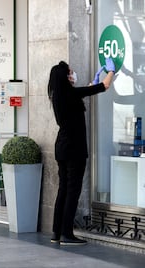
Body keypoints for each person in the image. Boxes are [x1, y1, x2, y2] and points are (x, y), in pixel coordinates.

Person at [48, 58, 115, 245]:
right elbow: (105, 86)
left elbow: (84, 92)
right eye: (71, 72)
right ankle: (67, 235)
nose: (73, 74)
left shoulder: (60, 95)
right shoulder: (71, 94)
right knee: (73, 191)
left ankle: (56, 233)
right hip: (74, 150)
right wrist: (111, 71)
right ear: (66, 77)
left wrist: (93, 84)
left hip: (62, 148)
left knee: (63, 190)